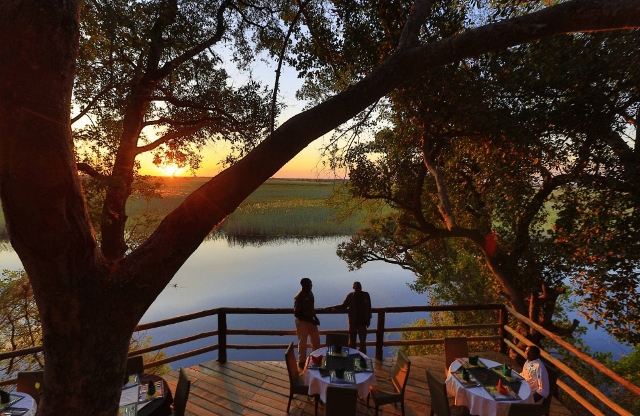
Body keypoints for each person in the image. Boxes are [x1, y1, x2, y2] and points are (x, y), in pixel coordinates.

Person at [332, 281, 372, 354]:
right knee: (352, 343)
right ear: (353, 288)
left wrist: (368, 320)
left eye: (359, 287)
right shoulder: (350, 296)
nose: (358, 289)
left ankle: (362, 360)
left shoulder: (366, 295)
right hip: (353, 323)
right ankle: (352, 358)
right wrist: (333, 307)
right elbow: (344, 306)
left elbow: (369, 308)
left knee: (363, 343)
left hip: (363, 323)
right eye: (356, 287)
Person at [294, 277, 321, 368]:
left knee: (316, 340)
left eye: (311, 284)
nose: (311, 286)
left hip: (311, 320)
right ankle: (301, 363)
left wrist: (315, 318)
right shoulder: (299, 297)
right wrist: (311, 320)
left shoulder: (310, 293)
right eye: (309, 284)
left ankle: (316, 359)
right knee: (302, 343)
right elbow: (297, 314)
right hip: (302, 322)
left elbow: (311, 308)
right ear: (303, 285)